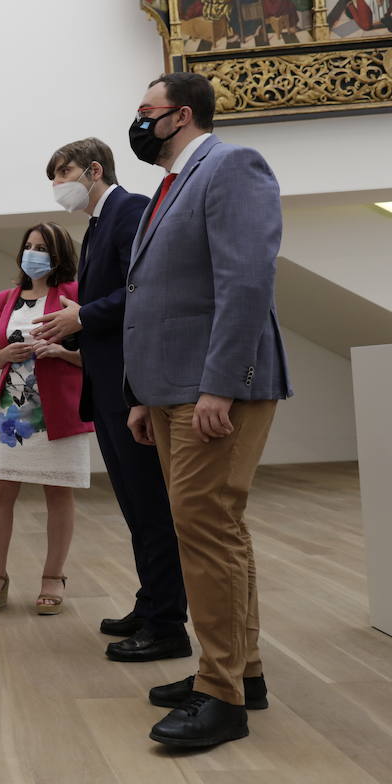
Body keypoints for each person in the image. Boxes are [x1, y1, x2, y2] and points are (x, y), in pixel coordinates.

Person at [123, 73, 293, 748]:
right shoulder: (169, 186)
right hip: (172, 387)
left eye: (145, 113)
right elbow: (157, 294)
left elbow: (246, 281)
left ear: (181, 115)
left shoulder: (231, 167)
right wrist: (144, 394)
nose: (136, 123)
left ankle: (220, 697)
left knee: (205, 528)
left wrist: (220, 385)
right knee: (216, 525)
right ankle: (239, 672)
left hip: (214, 386)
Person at [33, 139, 189, 661]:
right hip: (107, 385)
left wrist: (82, 317)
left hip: (132, 386)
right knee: (134, 507)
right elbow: (107, 301)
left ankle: (168, 623)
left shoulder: (131, 210)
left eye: (64, 173)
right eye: (52, 176)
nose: (58, 184)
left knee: (151, 507)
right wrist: (70, 329)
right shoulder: (98, 222)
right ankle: (150, 605)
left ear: (95, 170)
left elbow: (143, 289)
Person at [0, 223, 93, 616]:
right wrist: (2, 356)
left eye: (42, 247)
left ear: (58, 255)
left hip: (58, 411)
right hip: (12, 413)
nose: (33, 253)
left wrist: (63, 354)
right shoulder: (5, 299)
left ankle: (53, 577)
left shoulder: (75, 296)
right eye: (28, 246)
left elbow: (98, 353)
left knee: (58, 493)